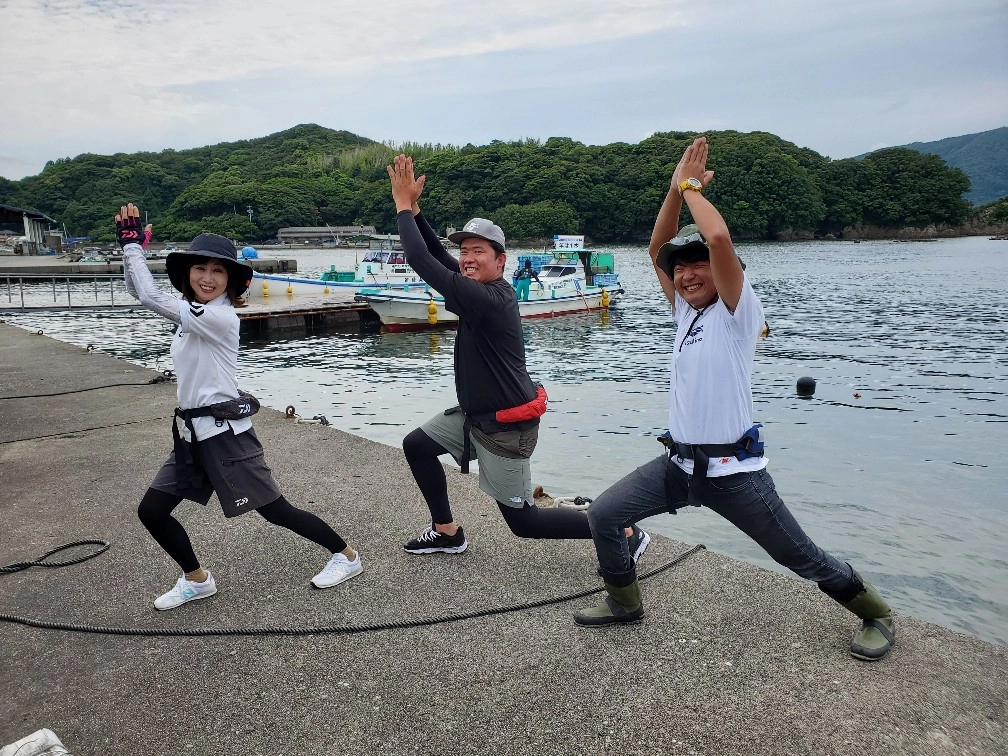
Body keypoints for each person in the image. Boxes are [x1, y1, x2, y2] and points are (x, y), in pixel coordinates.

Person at [573, 137, 895, 662]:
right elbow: (657, 249)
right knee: (605, 514)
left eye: (698, 264)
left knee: (799, 556)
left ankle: (876, 613)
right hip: (677, 466)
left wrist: (691, 188)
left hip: (735, 474)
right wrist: (673, 192)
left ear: (726, 272)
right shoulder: (685, 313)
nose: (686, 274)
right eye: (680, 268)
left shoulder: (737, 314)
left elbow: (718, 236)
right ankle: (624, 601)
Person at [386, 155, 649, 558]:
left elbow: (421, 260)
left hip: (504, 429)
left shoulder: (487, 298)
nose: (468, 258)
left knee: (525, 523)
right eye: (464, 251)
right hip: (476, 416)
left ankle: (624, 532)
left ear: (501, 260)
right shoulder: (478, 288)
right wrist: (417, 212)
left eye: (478, 251)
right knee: (417, 446)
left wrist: (402, 206)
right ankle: (446, 532)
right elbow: (437, 256)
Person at [114, 203, 362, 610]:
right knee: (152, 511)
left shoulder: (220, 318)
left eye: (218, 271)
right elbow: (137, 292)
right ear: (187, 274)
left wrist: (131, 247)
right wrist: (132, 250)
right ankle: (197, 580)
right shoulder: (192, 316)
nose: (207, 277)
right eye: (200, 268)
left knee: (276, 512)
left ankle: (346, 556)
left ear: (231, 280)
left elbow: (148, 293)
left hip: (226, 437)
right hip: (192, 435)